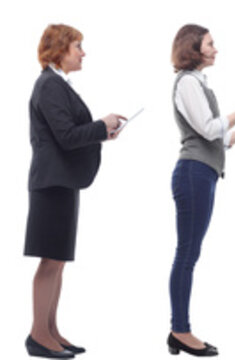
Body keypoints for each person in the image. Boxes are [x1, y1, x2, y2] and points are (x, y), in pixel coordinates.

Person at [164, 23, 235, 357]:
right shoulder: (187, 82)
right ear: (193, 47)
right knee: (186, 254)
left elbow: (221, 139)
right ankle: (180, 330)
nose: (216, 49)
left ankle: (179, 329)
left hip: (204, 173)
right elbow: (211, 128)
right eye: (210, 43)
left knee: (189, 253)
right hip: (193, 174)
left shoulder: (198, 83)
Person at [24, 23, 125, 360]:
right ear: (60, 49)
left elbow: (67, 134)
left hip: (61, 183)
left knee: (58, 261)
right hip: (52, 185)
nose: (83, 53)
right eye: (78, 46)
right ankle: (38, 335)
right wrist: (102, 125)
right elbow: (66, 136)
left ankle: (51, 331)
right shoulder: (50, 85)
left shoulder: (56, 84)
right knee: (50, 262)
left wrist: (100, 133)